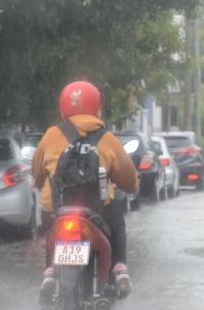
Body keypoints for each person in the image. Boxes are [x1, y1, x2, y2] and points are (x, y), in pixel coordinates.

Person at [32, 81, 139, 298]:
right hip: (98, 212)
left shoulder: (51, 135)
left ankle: (50, 270)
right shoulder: (107, 138)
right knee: (117, 219)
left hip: (57, 209)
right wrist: (130, 186)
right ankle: (119, 267)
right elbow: (129, 181)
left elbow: (36, 174)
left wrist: (40, 182)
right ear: (96, 107)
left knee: (49, 228)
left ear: (63, 107)